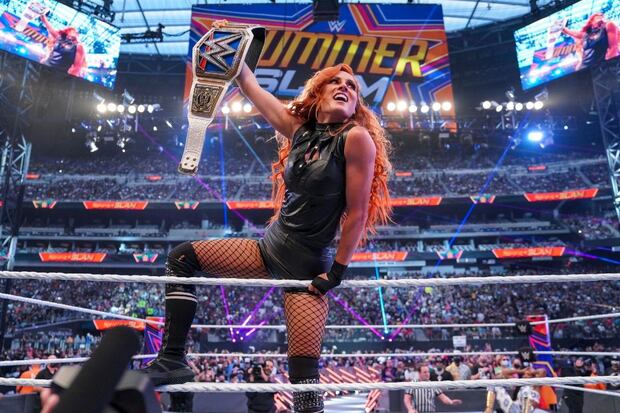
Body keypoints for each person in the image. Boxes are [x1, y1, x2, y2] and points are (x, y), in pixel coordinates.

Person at [142, 19, 392, 413]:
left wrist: (337, 273)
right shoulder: (299, 129)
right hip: (269, 249)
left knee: (304, 380)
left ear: (356, 104)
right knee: (181, 258)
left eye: (352, 86)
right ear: (318, 92)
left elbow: (358, 212)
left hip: (308, 270)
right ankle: (172, 358)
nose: (345, 86)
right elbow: (249, 84)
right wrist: (231, 41)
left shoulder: (355, 138)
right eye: (335, 81)